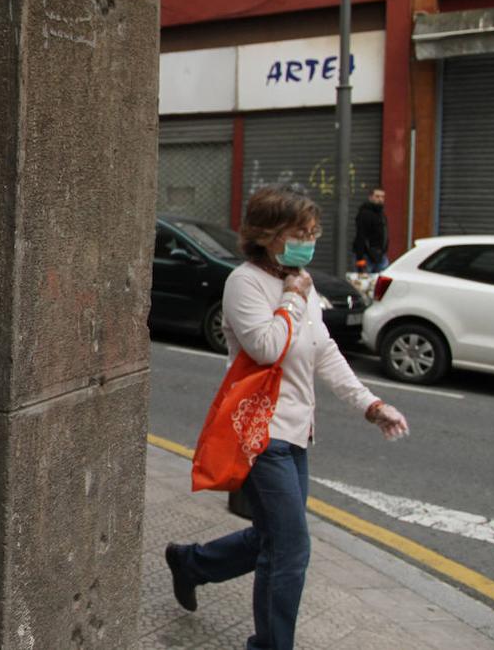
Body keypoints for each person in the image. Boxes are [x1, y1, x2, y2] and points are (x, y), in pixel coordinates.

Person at [164, 185, 409, 650]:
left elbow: (324, 351)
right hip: (260, 433)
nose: (310, 240)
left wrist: (370, 405)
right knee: (291, 549)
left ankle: (192, 563)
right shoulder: (245, 283)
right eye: (301, 232)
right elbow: (266, 346)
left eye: (314, 232)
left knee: (273, 539)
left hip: (296, 433)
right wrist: (293, 298)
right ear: (269, 234)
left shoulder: (302, 281)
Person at [353, 187, 389, 272]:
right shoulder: (364, 214)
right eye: (377, 196)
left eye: (382, 197)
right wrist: (360, 259)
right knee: (364, 283)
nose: (380, 199)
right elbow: (361, 237)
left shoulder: (381, 215)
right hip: (366, 257)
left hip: (381, 256)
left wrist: (383, 250)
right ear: (370, 197)